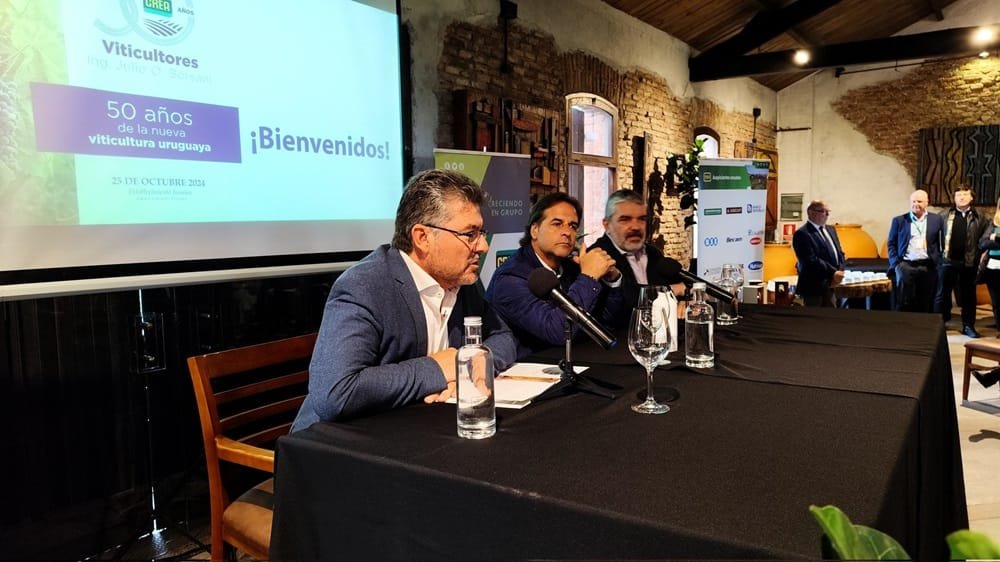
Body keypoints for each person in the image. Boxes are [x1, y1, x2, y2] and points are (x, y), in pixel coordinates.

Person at [291, 169, 518, 429]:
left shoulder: (462, 280)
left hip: (417, 427)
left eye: (482, 233)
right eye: (470, 235)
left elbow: (503, 336)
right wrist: (438, 369)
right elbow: (336, 393)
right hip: (336, 448)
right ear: (422, 237)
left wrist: (474, 364)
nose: (483, 246)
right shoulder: (364, 286)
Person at [485, 192, 623, 356]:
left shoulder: (572, 268)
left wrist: (612, 279)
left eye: (572, 226)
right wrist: (588, 277)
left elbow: (609, 321)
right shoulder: (509, 279)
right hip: (529, 370)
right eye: (557, 224)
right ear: (535, 230)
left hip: (576, 360)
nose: (567, 232)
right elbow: (557, 332)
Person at [589, 189, 683, 325]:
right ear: (607, 225)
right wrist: (669, 291)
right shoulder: (598, 256)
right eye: (625, 220)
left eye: (642, 219)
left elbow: (680, 286)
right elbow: (615, 308)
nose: (635, 227)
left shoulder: (653, 253)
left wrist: (685, 299)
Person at [935, 186, 989, 338]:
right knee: (942, 295)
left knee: (968, 297)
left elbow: (985, 237)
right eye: (958, 194)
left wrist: (978, 252)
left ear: (971, 198)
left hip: (969, 263)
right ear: (954, 198)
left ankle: (968, 326)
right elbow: (935, 236)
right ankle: (939, 325)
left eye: (965, 194)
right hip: (947, 262)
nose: (962, 197)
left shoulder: (980, 217)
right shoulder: (944, 215)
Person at [887, 189, 945, 312]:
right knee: (904, 300)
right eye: (913, 201)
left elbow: (942, 242)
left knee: (925, 300)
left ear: (926, 203)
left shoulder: (937, 220)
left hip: (928, 265)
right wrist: (896, 264)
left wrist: (938, 260)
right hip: (906, 265)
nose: (916, 204)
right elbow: (891, 243)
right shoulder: (899, 220)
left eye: (919, 201)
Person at [791, 200, 846, 307]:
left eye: (828, 212)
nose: (827, 215)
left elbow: (840, 253)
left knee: (831, 319)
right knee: (814, 320)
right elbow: (810, 260)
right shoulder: (802, 234)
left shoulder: (831, 229)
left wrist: (840, 270)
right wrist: (833, 273)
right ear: (810, 212)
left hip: (831, 284)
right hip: (814, 287)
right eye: (823, 211)